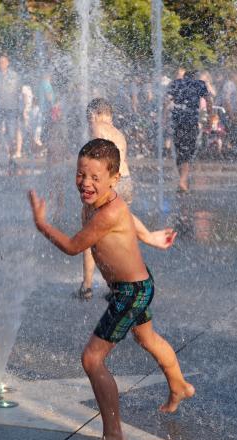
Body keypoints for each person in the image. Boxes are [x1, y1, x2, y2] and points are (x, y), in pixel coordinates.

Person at [28, 138, 191, 440]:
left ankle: (114, 436)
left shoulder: (107, 210)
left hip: (130, 292)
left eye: (94, 178)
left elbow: (75, 245)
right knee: (147, 338)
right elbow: (128, 219)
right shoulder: (101, 201)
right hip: (135, 286)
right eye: (80, 175)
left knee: (92, 360)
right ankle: (179, 385)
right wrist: (148, 237)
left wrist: (42, 225)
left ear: (114, 179)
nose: (85, 183)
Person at [79, 98, 133, 300]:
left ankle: (86, 285)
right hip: (126, 182)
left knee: (89, 232)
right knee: (118, 234)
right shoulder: (119, 133)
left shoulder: (96, 127)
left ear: (95, 114)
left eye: (89, 116)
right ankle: (120, 285)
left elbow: (99, 161)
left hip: (110, 184)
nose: (88, 121)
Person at [167, 69, 212, 192]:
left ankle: (182, 179)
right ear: (195, 77)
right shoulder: (199, 84)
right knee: (187, 152)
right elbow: (209, 101)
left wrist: (164, 118)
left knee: (179, 151)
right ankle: (182, 181)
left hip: (177, 122)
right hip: (191, 122)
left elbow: (166, 101)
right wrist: (210, 117)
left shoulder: (176, 83)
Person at [0, 55, 22, 160]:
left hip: (11, 108)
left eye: (3, 62)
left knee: (11, 134)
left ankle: (11, 158)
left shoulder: (14, 76)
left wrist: (20, 108)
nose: (1, 64)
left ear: (8, 63)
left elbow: (17, 91)